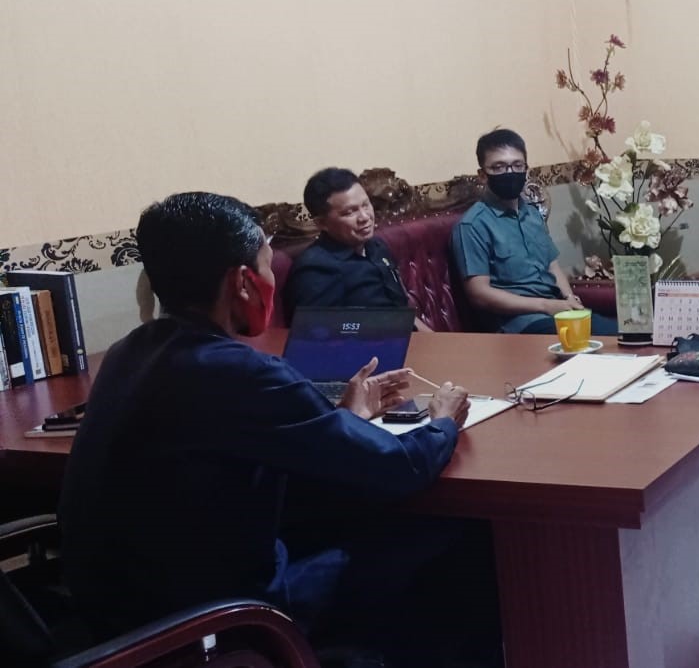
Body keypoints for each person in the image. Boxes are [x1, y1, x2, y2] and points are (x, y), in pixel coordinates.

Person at [58, 192, 476, 665]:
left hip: (124, 616)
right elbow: (399, 467)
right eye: (266, 265)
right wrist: (442, 419)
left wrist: (345, 419)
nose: (272, 278)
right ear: (243, 282)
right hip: (220, 620)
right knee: (450, 532)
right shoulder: (237, 371)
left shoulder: (127, 352)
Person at [452, 128, 618, 335]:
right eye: (499, 167)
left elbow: (552, 265)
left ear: (526, 169)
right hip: (520, 325)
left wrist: (569, 299)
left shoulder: (531, 214)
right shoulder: (473, 225)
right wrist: (545, 306)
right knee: (613, 338)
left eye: (517, 165)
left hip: (558, 312)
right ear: (483, 175)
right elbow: (479, 294)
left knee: (632, 333)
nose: (510, 173)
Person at [286, 167, 431, 331]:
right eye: (350, 212)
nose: (365, 217)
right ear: (322, 223)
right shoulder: (316, 269)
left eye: (366, 205)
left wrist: (437, 340)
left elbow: (403, 312)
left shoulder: (376, 247)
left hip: (408, 339)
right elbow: (315, 335)